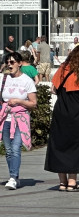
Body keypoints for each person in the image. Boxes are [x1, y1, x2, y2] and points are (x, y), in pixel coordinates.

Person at [44, 44, 79, 191]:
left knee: (60, 144)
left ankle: (62, 182)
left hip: (60, 111)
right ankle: (72, 182)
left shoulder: (62, 69)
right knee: (76, 146)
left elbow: (53, 90)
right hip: (77, 113)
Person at [2, 52, 37, 190]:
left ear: (20, 63)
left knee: (16, 148)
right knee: (8, 150)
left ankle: (12, 177)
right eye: (8, 62)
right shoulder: (3, 79)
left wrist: (18, 101)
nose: (9, 65)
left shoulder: (27, 81)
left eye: (12, 62)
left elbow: (33, 103)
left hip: (21, 118)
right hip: (5, 118)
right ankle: (14, 177)